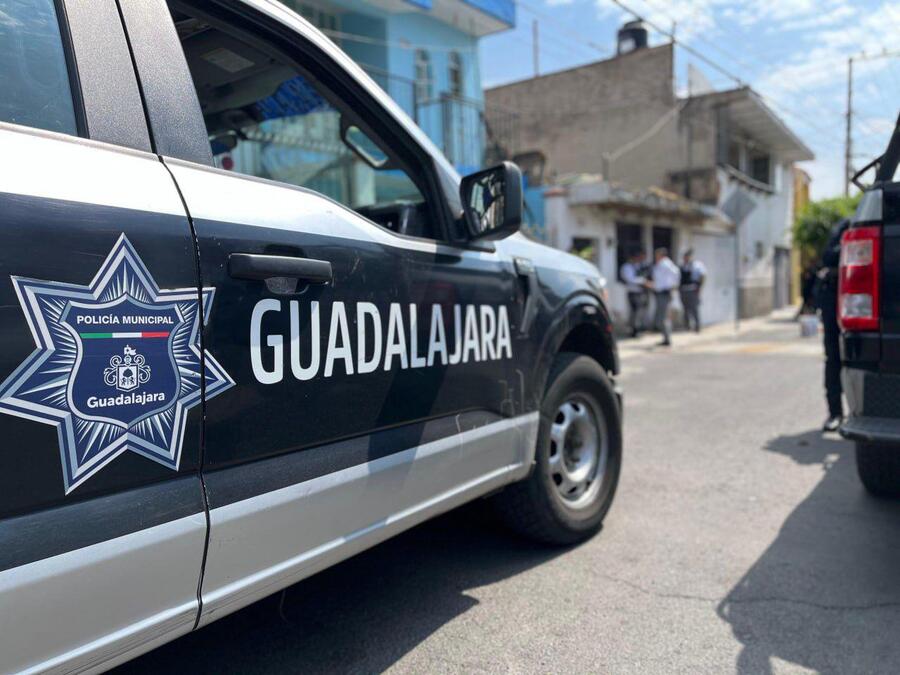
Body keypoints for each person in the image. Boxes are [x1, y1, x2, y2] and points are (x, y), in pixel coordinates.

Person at [816, 218, 850, 432]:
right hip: (837, 301)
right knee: (834, 358)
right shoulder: (850, 224)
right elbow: (829, 255)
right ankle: (835, 412)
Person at [648, 247, 680, 346]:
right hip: (661, 292)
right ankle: (666, 338)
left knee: (663, 317)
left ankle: (667, 339)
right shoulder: (662, 264)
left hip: (664, 293)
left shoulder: (665, 264)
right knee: (662, 317)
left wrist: (672, 286)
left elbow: (675, 275)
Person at [620, 248, 649, 338]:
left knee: (640, 312)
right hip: (633, 292)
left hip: (641, 291)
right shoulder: (627, 267)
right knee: (634, 312)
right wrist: (643, 281)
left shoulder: (639, 266)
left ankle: (638, 328)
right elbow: (630, 279)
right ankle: (633, 330)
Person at [679, 249, 706, 332]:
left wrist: (699, 287)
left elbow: (703, 276)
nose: (686, 258)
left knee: (694, 309)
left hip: (693, 289)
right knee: (685, 309)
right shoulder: (682, 266)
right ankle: (687, 326)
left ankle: (697, 326)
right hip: (684, 290)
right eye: (685, 257)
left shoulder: (697, 265)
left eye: (687, 256)